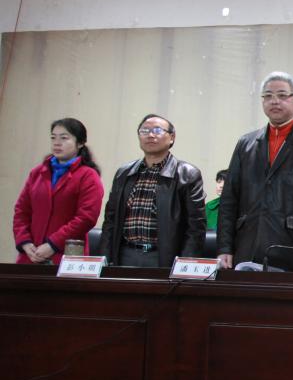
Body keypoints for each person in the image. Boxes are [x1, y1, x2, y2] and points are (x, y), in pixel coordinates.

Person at [217, 72, 293, 272]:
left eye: (282, 95)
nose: (274, 101)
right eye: (268, 96)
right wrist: (224, 247)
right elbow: (229, 199)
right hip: (246, 244)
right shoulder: (246, 143)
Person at [99, 114, 206, 267]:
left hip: (164, 257)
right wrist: (104, 258)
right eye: (144, 131)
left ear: (172, 137)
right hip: (125, 253)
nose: (150, 135)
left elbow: (195, 227)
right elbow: (110, 220)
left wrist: (185, 264)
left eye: (157, 130)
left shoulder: (187, 174)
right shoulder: (124, 173)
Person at [13, 118, 104, 265]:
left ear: (80, 143)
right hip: (30, 255)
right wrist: (25, 242)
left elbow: (86, 217)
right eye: (53, 137)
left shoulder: (88, 176)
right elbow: (21, 211)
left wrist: (52, 244)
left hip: (66, 256)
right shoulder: (37, 173)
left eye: (64, 138)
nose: (57, 143)